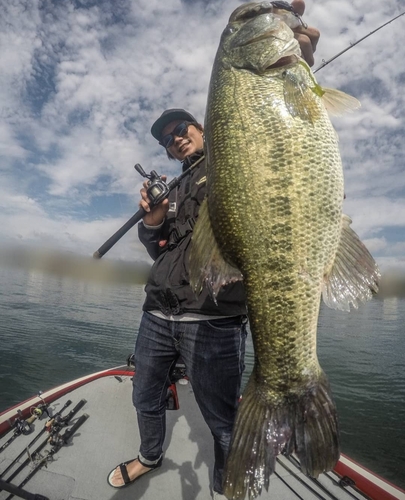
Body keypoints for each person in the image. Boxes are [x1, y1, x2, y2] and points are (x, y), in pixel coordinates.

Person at [107, 2, 320, 498]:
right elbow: (159, 249)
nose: (176, 140)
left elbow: (275, 135)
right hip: (157, 314)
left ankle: (231, 484)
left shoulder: (227, 160)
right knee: (144, 397)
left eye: (182, 129)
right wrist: (154, 221)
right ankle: (149, 455)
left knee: (224, 419)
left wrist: (293, 63)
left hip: (215, 320)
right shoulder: (176, 188)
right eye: (167, 140)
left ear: (205, 128)